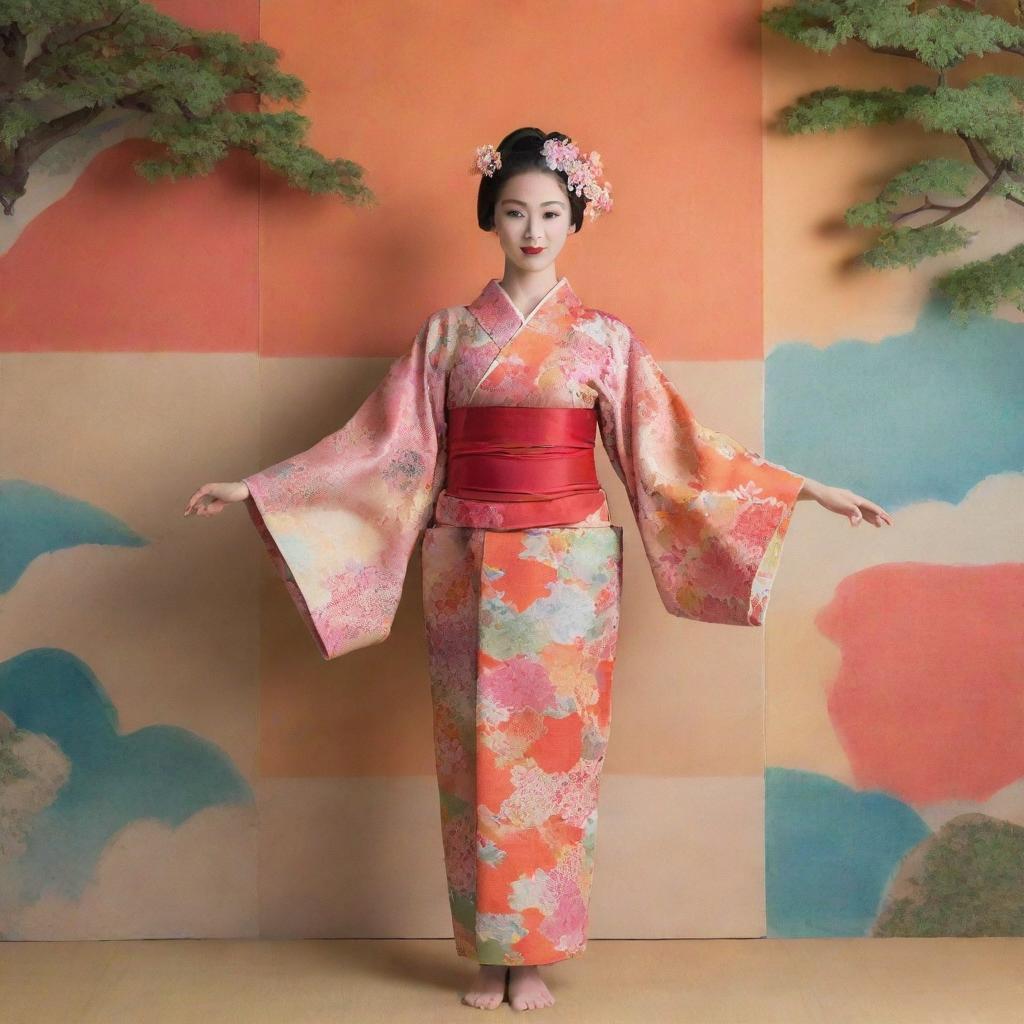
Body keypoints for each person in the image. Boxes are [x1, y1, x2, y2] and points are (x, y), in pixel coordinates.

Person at [184, 127, 893, 1012]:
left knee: (556, 762)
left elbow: (672, 453)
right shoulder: (448, 335)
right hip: (466, 561)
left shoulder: (602, 340)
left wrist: (802, 489)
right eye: (516, 211)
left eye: (551, 212)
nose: (533, 228)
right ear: (492, 216)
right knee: (471, 759)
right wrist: (261, 488)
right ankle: (488, 954)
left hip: (569, 571)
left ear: (575, 218)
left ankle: (538, 954)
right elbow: (385, 451)